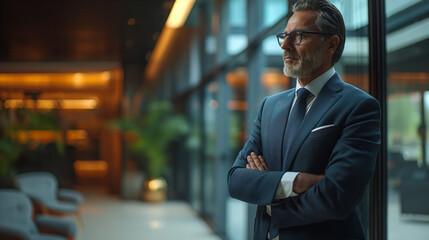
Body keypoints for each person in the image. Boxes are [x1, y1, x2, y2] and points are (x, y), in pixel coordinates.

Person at [227, 0, 381, 239]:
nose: (285, 46)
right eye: (285, 36)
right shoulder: (270, 106)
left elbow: (336, 196)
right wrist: (297, 181)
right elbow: (236, 179)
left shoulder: (359, 107)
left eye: (298, 36)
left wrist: (269, 198)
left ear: (331, 44)